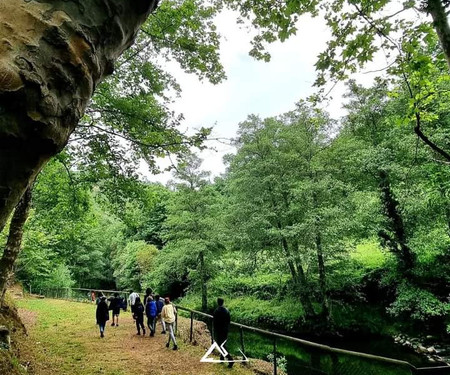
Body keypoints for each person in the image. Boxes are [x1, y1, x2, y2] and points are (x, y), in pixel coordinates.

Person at [213, 298, 233, 367]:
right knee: (223, 344)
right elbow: (229, 320)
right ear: (223, 302)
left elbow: (215, 322)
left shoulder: (216, 311)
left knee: (220, 345)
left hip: (219, 330)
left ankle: (230, 359)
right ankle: (222, 358)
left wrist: (215, 329)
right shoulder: (226, 311)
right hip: (225, 330)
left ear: (218, 303)